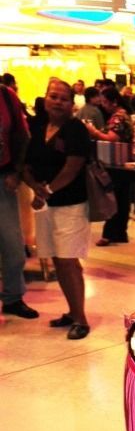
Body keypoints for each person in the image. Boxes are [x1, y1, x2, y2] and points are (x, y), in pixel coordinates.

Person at [23, 78, 92, 339]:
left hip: (71, 205)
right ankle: (72, 312)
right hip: (45, 205)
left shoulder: (76, 130)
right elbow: (25, 162)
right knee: (57, 260)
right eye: (54, 96)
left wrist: (46, 191)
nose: (58, 102)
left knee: (68, 260)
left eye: (64, 98)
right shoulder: (36, 125)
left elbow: (73, 167)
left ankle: (81, 319)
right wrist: (34, 187)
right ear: (45, 98)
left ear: (72, 103)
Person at [0, 78, 38, 320]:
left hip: (2, 178)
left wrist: (16, 170)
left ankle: (13, 297)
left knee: (13, 244)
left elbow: (23, 136)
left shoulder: (5, 96)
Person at [83, 85, 133, 245]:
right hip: (123, 160)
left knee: (115, 196)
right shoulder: (120, 115)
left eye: (105, 101)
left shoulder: (119, 116)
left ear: (114, 101)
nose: (102, 104)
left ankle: (110, 233)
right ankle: (119, 232)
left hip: (117, 161)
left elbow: (112, 137)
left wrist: (93, 131)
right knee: (122, 197)